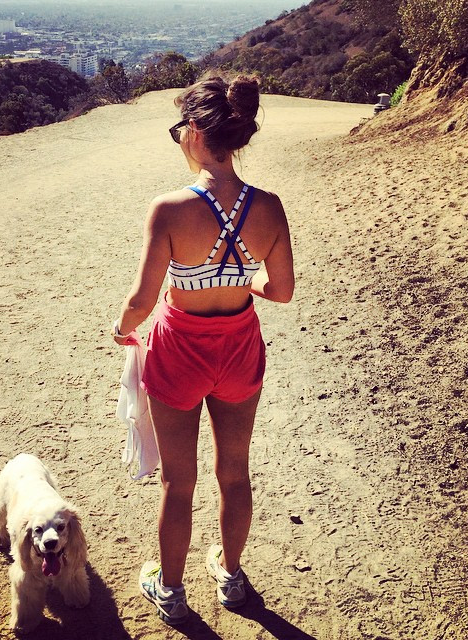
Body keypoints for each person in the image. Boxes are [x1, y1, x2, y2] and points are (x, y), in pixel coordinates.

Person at [112, 74, 295, 625]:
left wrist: (121, 328)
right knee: (234, 472)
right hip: (238, 350)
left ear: (194, 130)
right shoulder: (269, 207)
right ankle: (231, 579)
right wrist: (242, 279)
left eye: (178, 131)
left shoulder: (169, 208)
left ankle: (170, 590)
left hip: (178, 352)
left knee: (178, 481)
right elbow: (281, 291)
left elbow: (142, 299)